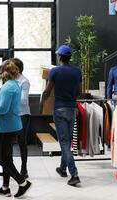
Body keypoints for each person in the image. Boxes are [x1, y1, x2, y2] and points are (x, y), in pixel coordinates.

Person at [0, 60, 32, 198]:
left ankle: (22, 183)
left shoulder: (8, 87)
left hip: (7, 127)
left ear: (3, 73)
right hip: (8, 126)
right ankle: (5, 187)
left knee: (2, 158)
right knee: (6, 157)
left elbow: (3, 108)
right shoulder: (13, 85)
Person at [40, 44, 82, 186]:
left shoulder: (55, 71)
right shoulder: (77, 72)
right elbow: (79, 92)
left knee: (64, 142)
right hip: (72, 109)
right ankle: (62, 169)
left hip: (59, 109)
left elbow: (47, 91)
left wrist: (41, 104)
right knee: (67, 141)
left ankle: (74, 174)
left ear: (60, 57)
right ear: (69, 58)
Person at [11, 58, 31, 179]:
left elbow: (23, 101)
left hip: (23, 114)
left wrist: (10, 97)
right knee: (9, 143)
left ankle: (24, 169)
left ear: (17, 69)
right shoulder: (11, 80)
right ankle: (10, 168)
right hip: (13, 114)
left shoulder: (24, 81)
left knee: (22, 142)